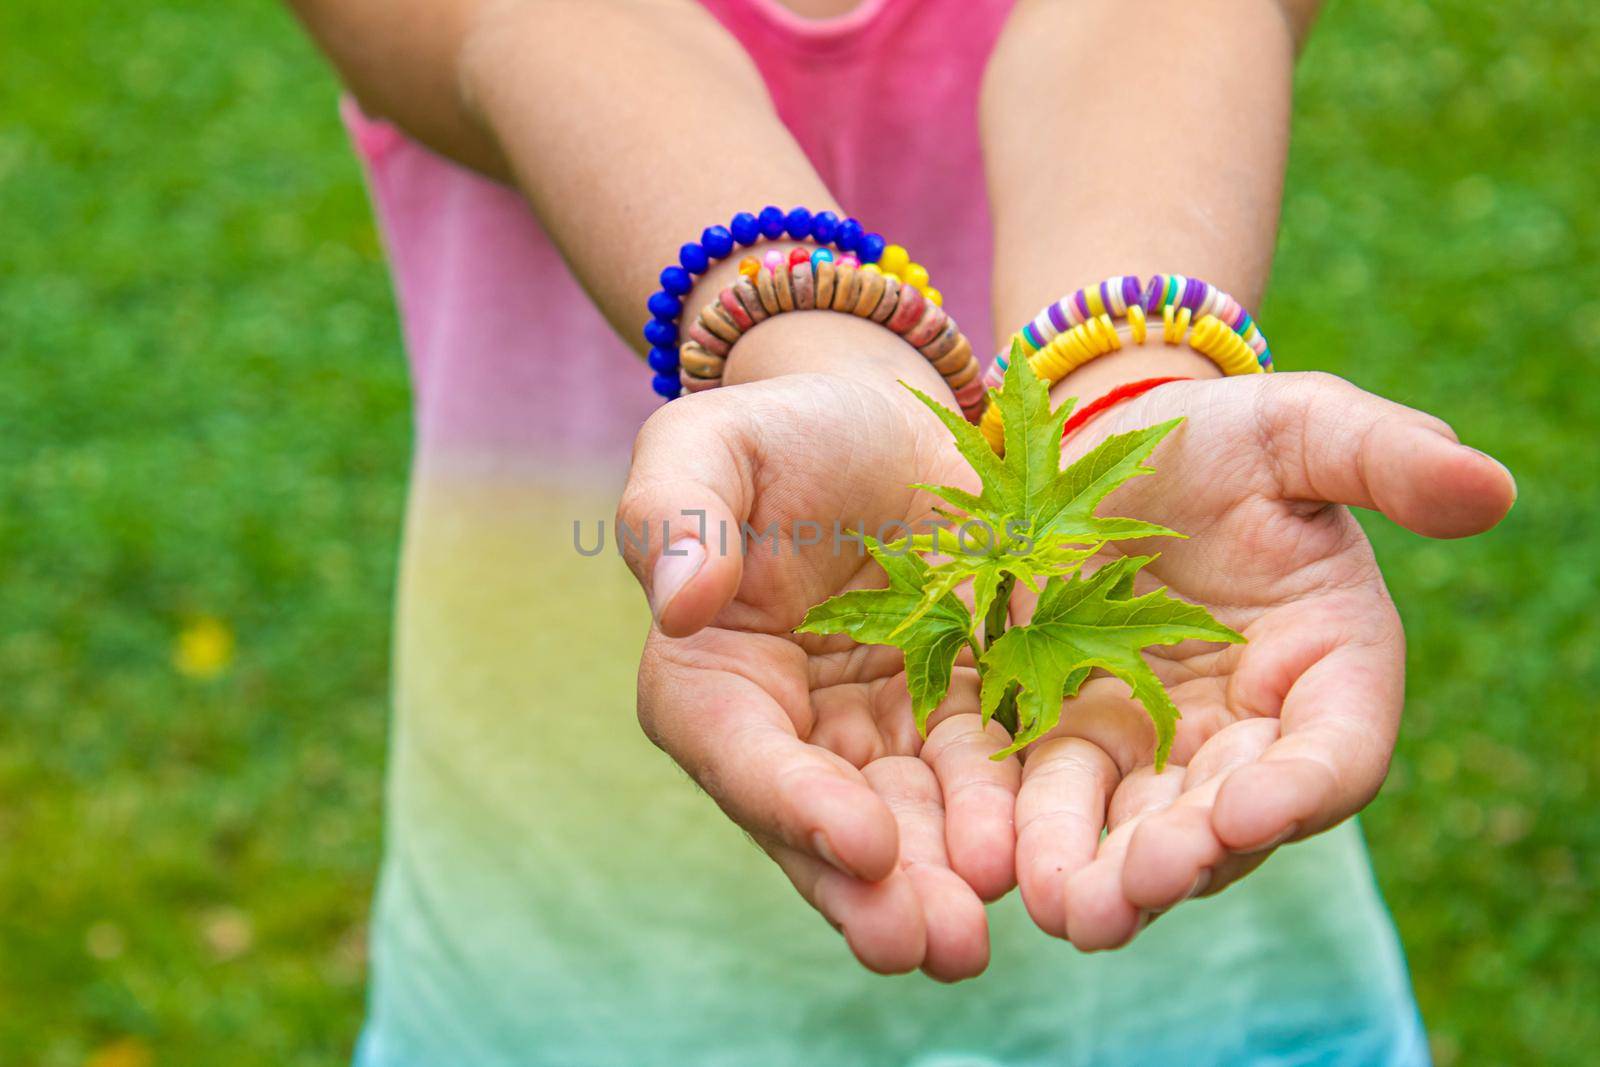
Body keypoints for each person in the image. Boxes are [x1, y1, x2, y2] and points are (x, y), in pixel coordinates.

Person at [286, 0, 1516, 1063]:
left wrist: (1130, 389)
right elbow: (539, 25)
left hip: (1178, 877)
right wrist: (811, 343)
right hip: (580, 942)